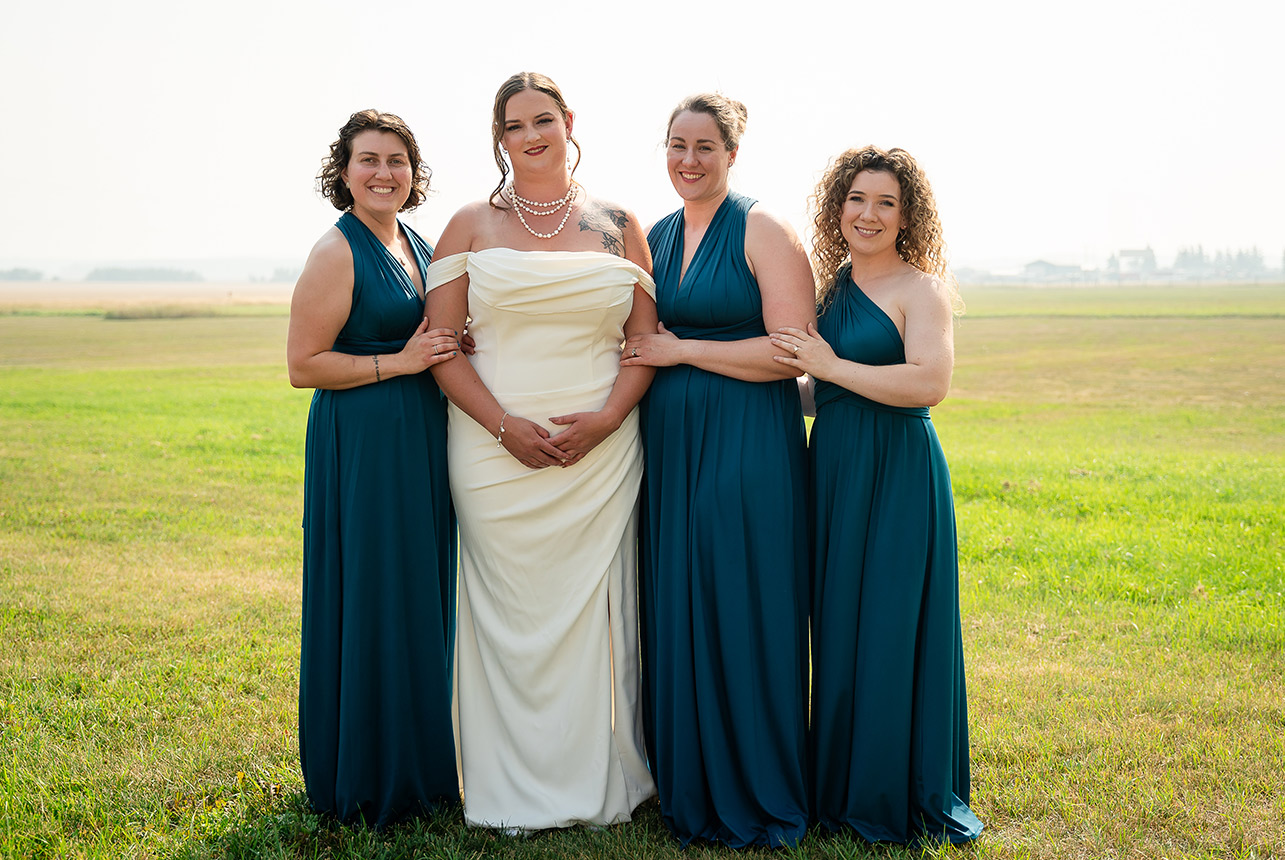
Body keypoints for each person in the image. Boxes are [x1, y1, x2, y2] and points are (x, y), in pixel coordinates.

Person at [423, 72, 657, 832]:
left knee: (594, 615)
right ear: (499, 138)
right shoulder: (467, 224)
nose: (531, 135)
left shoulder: (621, 223)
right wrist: (501, 425)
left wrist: (605, 419)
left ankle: (602, 782)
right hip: (492, 450)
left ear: (568, 122)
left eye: (543, 119)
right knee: (509, 612)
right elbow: (439, 349)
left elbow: (643, 342)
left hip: (602, 444)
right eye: (515, 124)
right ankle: (506, 790)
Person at [770, 145, 984, 844]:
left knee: (891, 627)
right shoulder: (828, 288)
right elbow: (816, 392)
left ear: (905, 216)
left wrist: (828, 365)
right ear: (837, 208)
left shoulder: (919, 290)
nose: (867, 214)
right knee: (837, 627)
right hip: (832, 470)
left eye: (885, 203)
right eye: (856, 199)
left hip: (897, 472)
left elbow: (928, 384)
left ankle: (893, 788)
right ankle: (838, 788)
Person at [620, 93, 814, 848]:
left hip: (746, 441)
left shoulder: (762, 227)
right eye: (676, 145)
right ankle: (689, 781)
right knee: (682, 601)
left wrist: (685, 351)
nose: (688, 161)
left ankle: (756, 785)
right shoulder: (657, 233)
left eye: (704, 147)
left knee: (741, 600)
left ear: (732, 154)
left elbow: (791, 349)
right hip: (670, 443)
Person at [287, 109, 462, 828]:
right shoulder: (337, 250)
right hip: (362, 441)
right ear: (343, 171)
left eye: (397, 160)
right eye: (369, 160)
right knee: (373, 594)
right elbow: (303, 366)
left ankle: (420, 768)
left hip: (418, 433)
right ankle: (364, 775)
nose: (384, 172)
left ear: (414, 174)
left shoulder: (416, 241)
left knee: (416, 595)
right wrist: (402, 362)